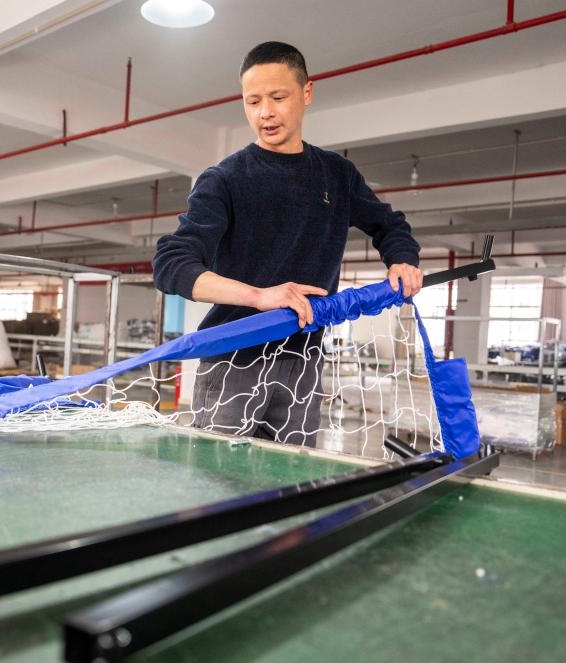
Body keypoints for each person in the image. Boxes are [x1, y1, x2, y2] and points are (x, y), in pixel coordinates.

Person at [152, 41, 423, 446]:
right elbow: (170, 264)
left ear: (306, 93)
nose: (265, 112)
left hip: (303, 362)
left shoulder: (337, 175)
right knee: (217, 487)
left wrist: (402, 259)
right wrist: (258, 296)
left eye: (278, 97)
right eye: (253, 101)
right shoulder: (225, 179)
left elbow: (389, 225)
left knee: (290, 484)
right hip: (233, 361)